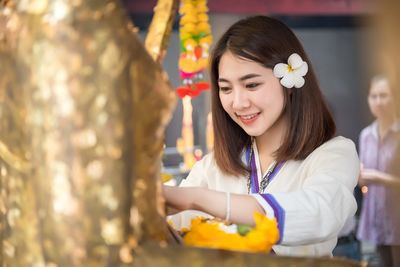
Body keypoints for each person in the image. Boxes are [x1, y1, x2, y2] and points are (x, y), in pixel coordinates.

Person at [164, 16, 359, 257]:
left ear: (289, 82)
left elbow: (320, 213)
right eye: (226, 88)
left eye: (252, 85)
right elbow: (172, 231)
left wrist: (195, 198)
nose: (238, 103)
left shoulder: (333, 154)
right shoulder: (211, 167)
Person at [357, 76, 400, 267]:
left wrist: (378, 177)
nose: (378, 101)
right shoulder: (365, 135)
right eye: (373, 96)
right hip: (376, 219)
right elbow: (362, 181)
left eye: (384, 95)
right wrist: (360, 178)